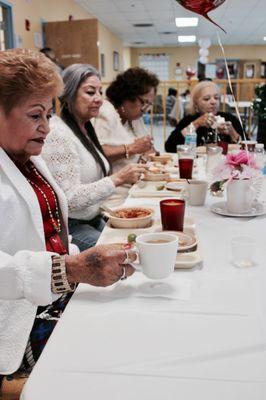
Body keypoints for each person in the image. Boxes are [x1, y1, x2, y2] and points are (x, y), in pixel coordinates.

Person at [0, 49, 135, 382]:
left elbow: (49, 234)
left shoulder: (29, 157)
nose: (46, 127)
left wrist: (77, 260)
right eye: (35, 115)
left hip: (50, 299)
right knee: (112, 362)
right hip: (17, 326)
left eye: (48, 113)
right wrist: (70, 269)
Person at [42, 64, 147, 251]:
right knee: (127, 252)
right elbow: (69, 199)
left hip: (92, 218)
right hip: (71, 227)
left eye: (100, 92)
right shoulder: (59, 135)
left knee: (142, 237)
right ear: (69, 94)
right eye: (90, 92)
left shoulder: (85, 129)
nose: (98, 99)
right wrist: (118, 178)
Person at [93, 67, 159, 172]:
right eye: (144, 102)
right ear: (127, 95)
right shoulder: (105, 111)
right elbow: (95, 153)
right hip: (116, 182)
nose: (146, 109)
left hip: (135, 178)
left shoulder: (133, 116)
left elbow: (148, 150)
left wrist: (149, 150)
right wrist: (132, 148)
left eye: (149, 104)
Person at [165, 81, 243, 152]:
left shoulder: (229, 119)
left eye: (216, 98)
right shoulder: (189, 120)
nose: (213, 102)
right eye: (206, 99)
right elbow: (169, 147)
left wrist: (233, 133)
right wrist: (195, 124)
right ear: (196, 104)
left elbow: (249, 149)